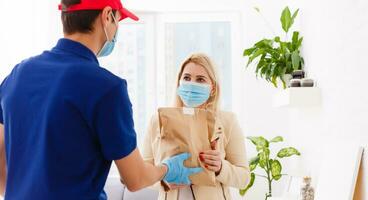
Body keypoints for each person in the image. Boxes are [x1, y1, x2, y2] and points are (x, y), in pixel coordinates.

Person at [0, 0, 202, 199]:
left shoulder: (18, 74)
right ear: (107, 16)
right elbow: (135, 178)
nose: (116, 30)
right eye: (118, 21)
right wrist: (166, 168)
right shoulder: (107, 88)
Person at [142, 53, 251, 199]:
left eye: (200, 79)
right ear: (179, 83)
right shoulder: (157, 121)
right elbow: (143, 172)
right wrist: (163, 181)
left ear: (212, 88)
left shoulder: (228, 121)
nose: (192, 84)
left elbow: (244, 178)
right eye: (186, 78)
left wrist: (220, 167)